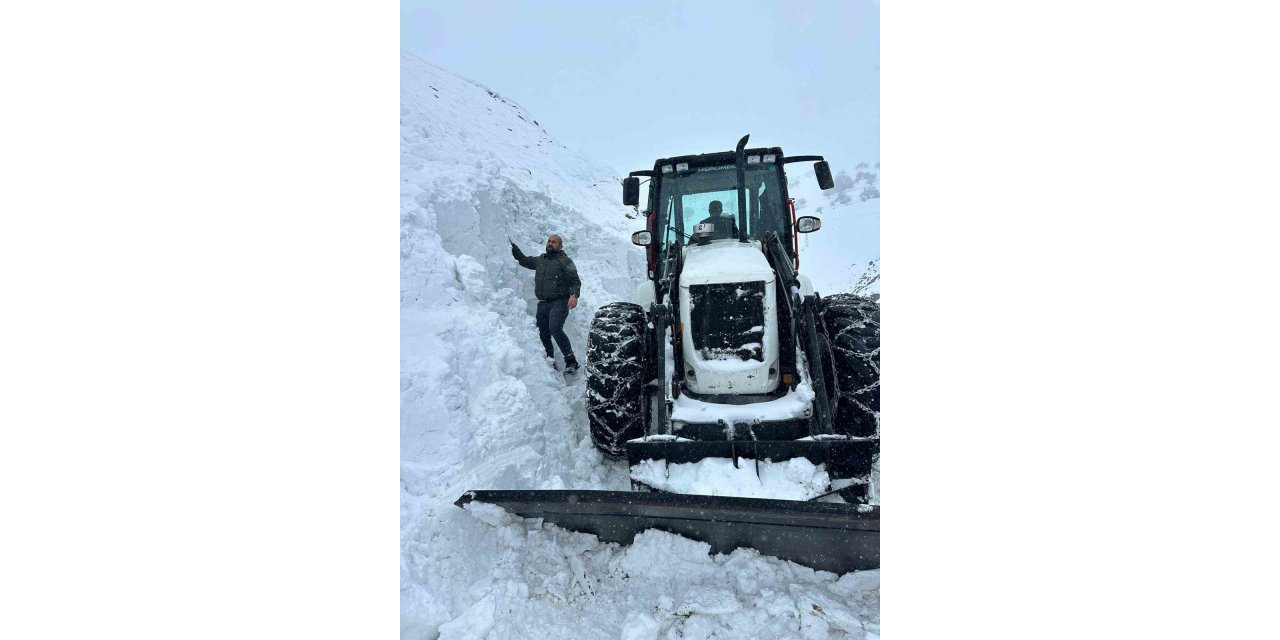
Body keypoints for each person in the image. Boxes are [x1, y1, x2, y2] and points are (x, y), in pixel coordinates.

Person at [510, 234, 581, 374]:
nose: (550, 243)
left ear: (560, 246)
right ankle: (550, 363)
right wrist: (514, 248)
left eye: (554, 242)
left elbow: (575, 281)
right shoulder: (540, 259)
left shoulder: (565, 261)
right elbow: (524, 260)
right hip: (543, 303)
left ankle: (570, 360)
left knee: (555, 328)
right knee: (543, 333)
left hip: (560, 301)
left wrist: (573, 295)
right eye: (549, 241)